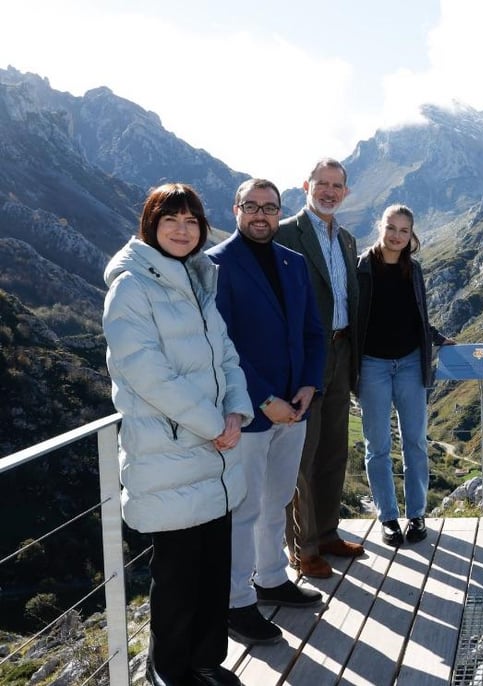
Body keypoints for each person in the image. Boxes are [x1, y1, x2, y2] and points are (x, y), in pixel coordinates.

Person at [102, 183, 249, 686]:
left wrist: (236, 412)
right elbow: (148, 375)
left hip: (214, 454)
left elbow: (225, 355)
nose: (183, 230)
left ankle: (207, 662)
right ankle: (168, 671)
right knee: (178, 578)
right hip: (170, 455)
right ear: (151, 226)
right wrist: (216, 425)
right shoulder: (131, 287)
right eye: (172, 220)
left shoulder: (196, 279)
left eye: (191, 222)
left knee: (212, 573)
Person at [206, 179, 326, 646]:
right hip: (250, 413)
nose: (261, 215)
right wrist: (263, 399)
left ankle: (271, 578)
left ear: (280, 213)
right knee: (245, 508)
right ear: (235, 210)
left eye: (269, 208)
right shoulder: (217, 265)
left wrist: (308, 386)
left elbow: (314, 332)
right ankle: (236, 604)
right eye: (252, 207)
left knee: (276, 500)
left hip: (296, 408)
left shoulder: (293, 263)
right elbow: (223, 343)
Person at [277, 158, 364, 578]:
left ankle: (327, 532)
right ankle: (303, 547)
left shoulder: (346, 239)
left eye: (336, 186)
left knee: (333, 449)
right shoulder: (284, 234)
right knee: (302, 455)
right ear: (305, 186)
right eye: (322, 184)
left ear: (345, 192)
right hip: (305, 357)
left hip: (342, 350)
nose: (329, 191)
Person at [356, 204, 452, 546]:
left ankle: (417, 515)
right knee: (378, 445)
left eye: (404, 230)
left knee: (415, 441)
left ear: (412, 235)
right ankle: (388, 517)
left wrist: (438, 338)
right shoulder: (362, 268)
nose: (397, 235)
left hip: (411, 362)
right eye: (391, 227)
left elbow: (418, 315)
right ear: (379, 226)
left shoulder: (414, 270)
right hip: (372, 364)